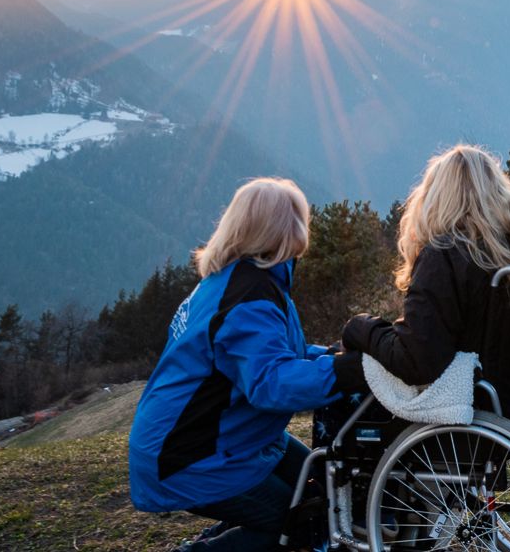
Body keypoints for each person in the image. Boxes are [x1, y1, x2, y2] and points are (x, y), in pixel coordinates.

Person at [128, 177, 366, 552]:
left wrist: (331, 357)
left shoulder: (240, 280)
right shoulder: (248, 294)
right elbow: (270, 383)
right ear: (280, 231)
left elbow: (278, 353)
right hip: (192, 453)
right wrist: (346, 371)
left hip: (232, 438)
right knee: (293, 525)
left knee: (321, 487)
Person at [342, 144, 510, 434]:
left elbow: (417, 361)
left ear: (435, 197)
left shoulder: (444, 256)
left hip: (471, 414)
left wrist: (361, 328)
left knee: (349, 369)